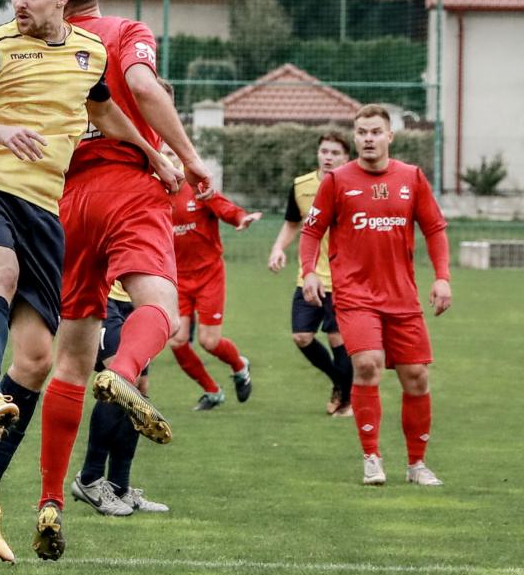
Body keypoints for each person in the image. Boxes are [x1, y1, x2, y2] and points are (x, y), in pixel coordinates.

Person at [0, 0, 181, 563]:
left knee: (39, 359)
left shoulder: (89, 50)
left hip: (47, 213)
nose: (19, 2)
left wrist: (154, 156)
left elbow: (106, 109)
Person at [33, 0, 211, 557]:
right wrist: (187, 157)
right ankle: (126, 372)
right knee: (161, 304)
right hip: (126, 186)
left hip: (62, 202)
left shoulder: (37, 46)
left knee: (69, 362)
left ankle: (51, 501)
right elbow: (139, 83)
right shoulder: (123, 31)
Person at [300, 104, 451, 487]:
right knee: (368, 364)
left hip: (402, 297)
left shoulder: (412, 177)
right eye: (362, 132)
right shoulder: (337, 180)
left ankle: (417, 465)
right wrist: (308, 272)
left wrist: (442, 278)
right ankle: (372, 458)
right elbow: (312, 231)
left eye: (375, 132)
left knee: (416, 376)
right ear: (355, 137)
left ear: (389, 136)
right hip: (356, 295)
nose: (368, 138)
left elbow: (434, 229)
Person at [268, 132, 355, 416]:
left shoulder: (355, 186)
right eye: (324, 151)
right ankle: (340, 383)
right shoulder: (301, 186)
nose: (328, 157)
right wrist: (278, 248)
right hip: (309, 276)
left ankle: (345, 401)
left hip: (344, 279)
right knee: (302, 336)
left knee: (337, 338)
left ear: (346, 158)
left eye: (335, 153)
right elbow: (293, 223)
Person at [165, 157, 261, 410]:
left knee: (209, 341)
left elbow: (226, 209)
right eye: (163, 152)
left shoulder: (198, 187)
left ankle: (239, 367)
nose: (168, 159)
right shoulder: (154, 193)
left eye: (173, 153)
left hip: (209, 276)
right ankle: (212, 391)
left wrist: (241, 218)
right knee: (177, 340)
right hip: (178, 279)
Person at [69, 280, 170, 517]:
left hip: (138, 299)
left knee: (138, 387)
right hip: (106, 296)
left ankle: (119, 487)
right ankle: (89, 478)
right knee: (119, 382)